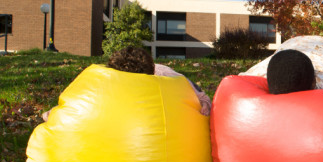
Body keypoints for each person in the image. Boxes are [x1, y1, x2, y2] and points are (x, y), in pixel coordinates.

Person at [42, 47, 211, 120]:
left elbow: (202, 97)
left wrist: (204, 106)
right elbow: (77, 106)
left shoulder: (167, 76)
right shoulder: (106, 82)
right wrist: (55, 115)